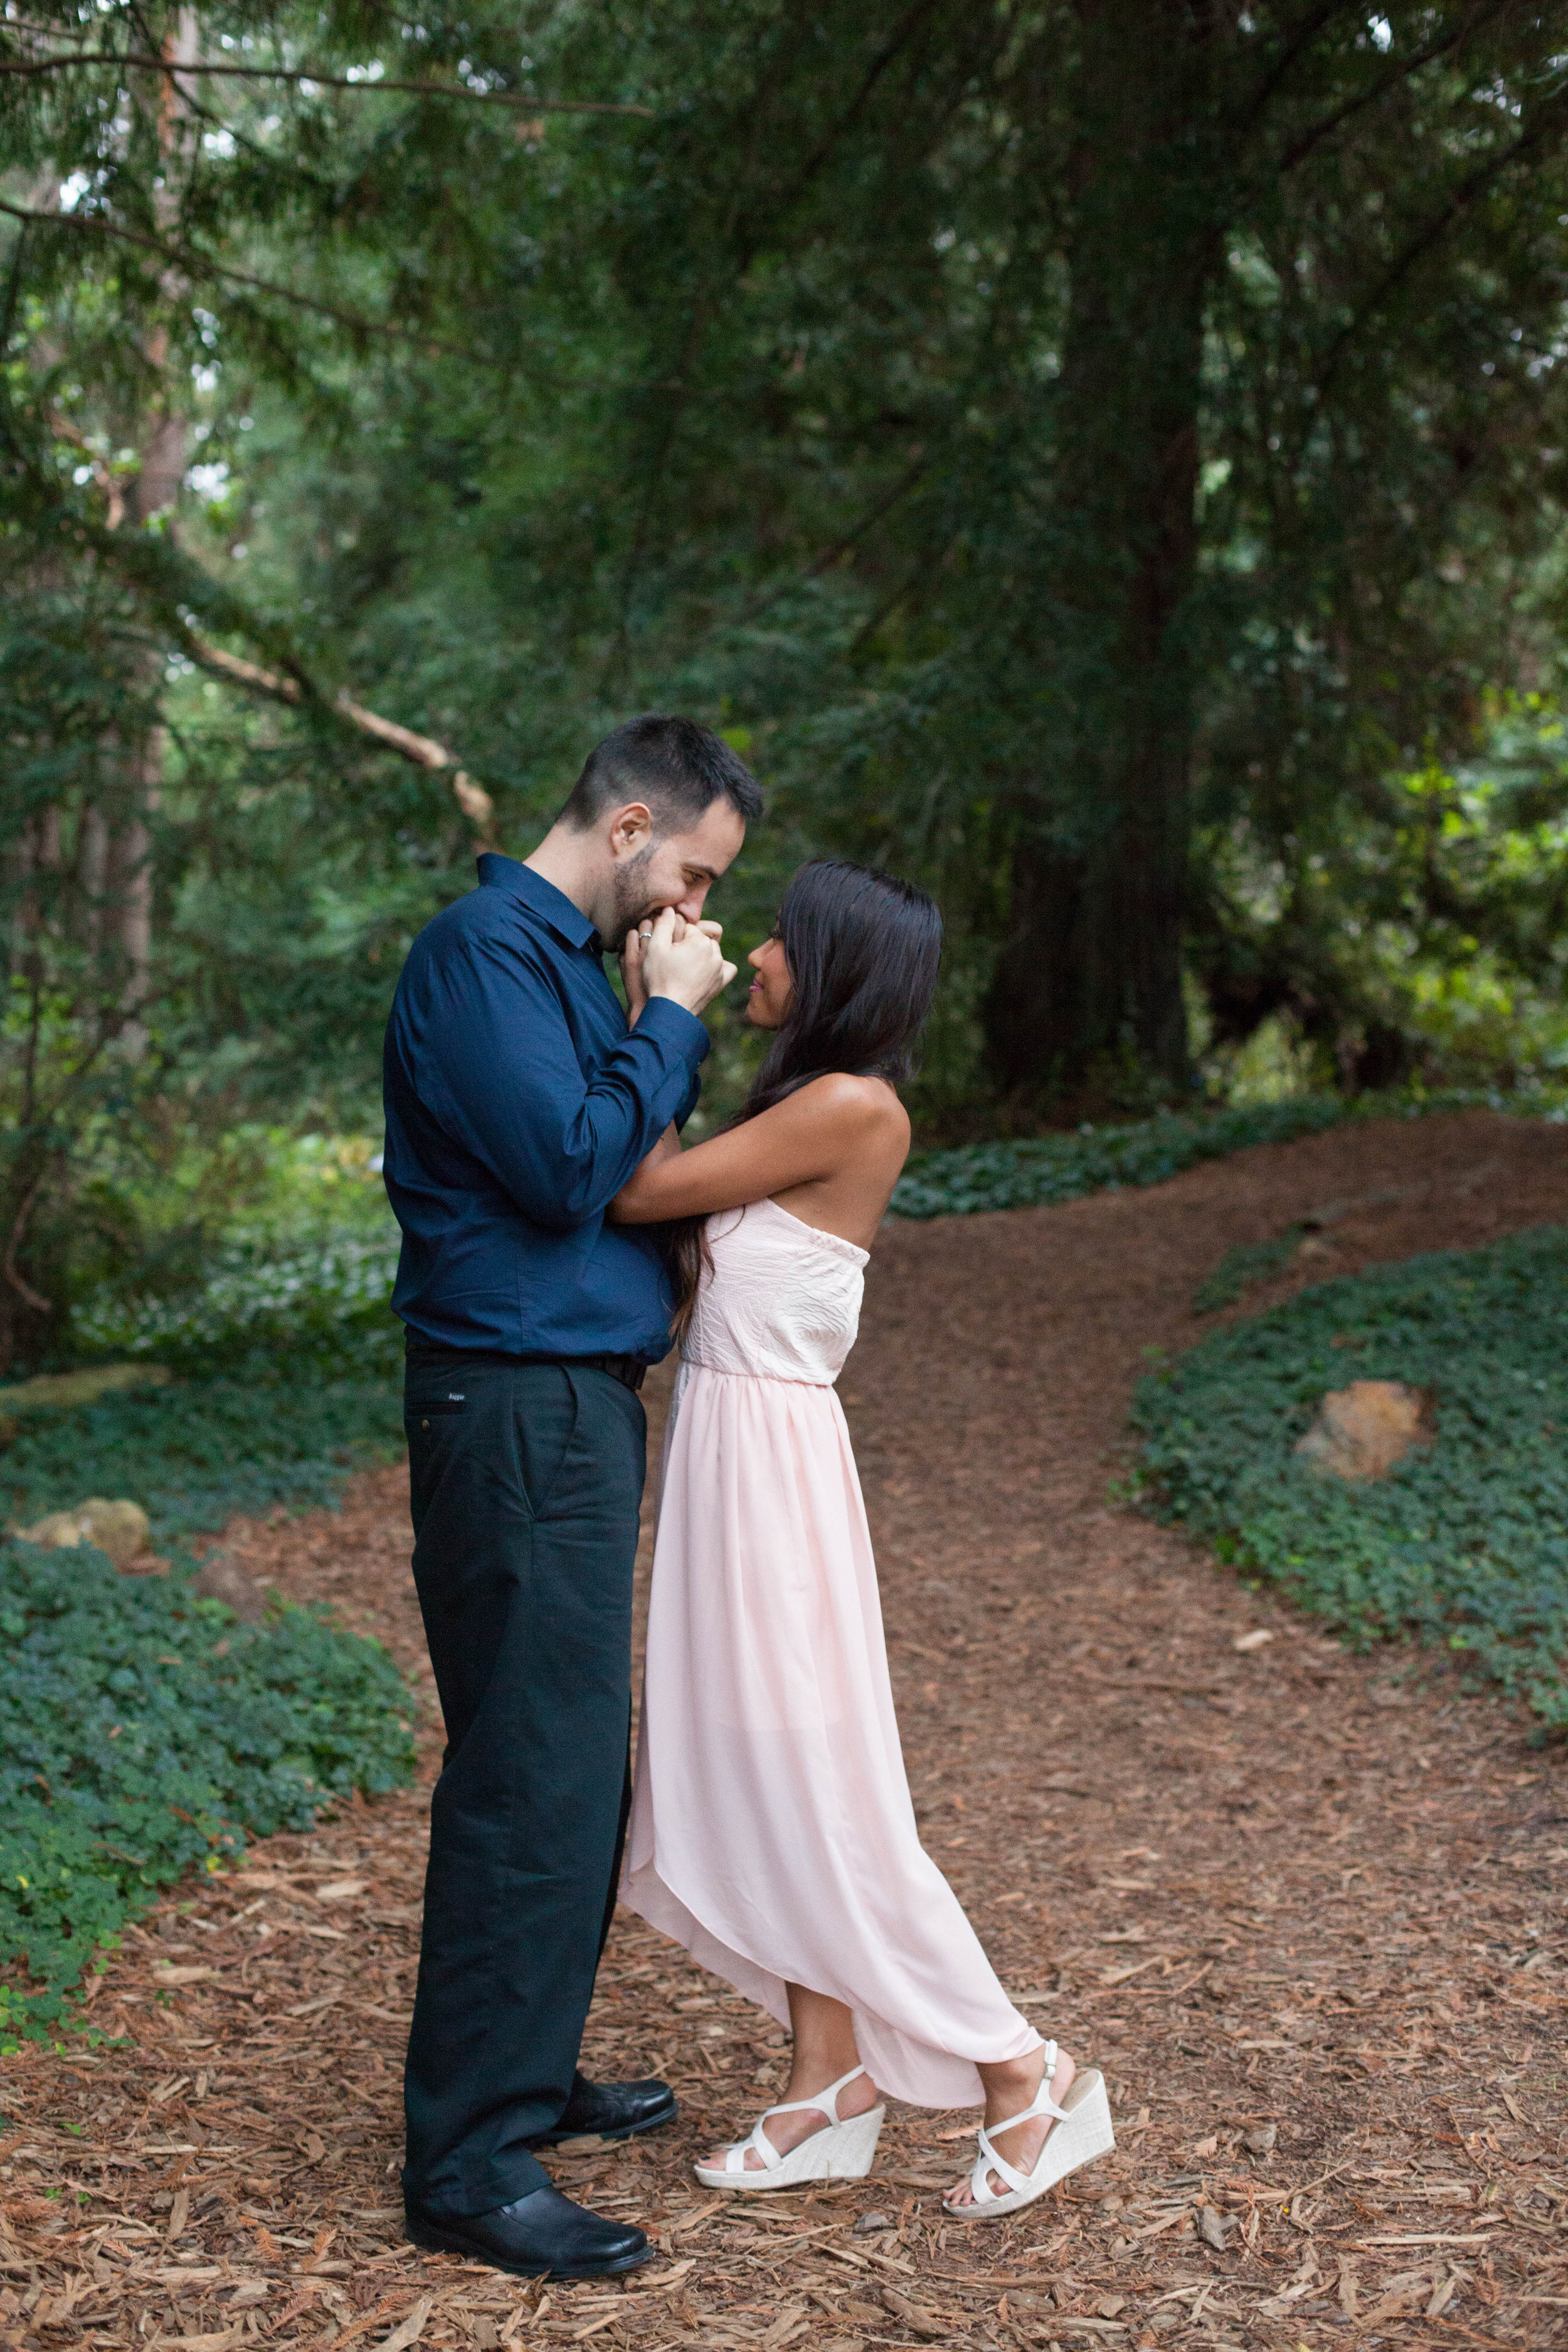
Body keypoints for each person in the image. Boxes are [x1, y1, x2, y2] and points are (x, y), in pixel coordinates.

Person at [610, 860, 1114, 2220]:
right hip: (736, 1462)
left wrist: (669, 1006)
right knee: (765, 1775)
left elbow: (631, 1186)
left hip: (770, 1478)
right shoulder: (808, 1103)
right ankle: (824, 2079)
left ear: (833, 969)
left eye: (785, 936)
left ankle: (1023, 2070)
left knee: (819, 1795)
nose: (760, 950)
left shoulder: (846, 1106)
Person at [381, 714, 762, 2281]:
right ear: (625, 827)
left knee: (567, 1772)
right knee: (531, 1777)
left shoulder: (558, 965)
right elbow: (563, 1167)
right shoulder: (481, 953)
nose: (696, 914)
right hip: (517, 1404)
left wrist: (645, 1012)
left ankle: (520, 2076)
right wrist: (670, 1014)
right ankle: (466, 2164)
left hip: (568, 1406)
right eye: (692, 874)